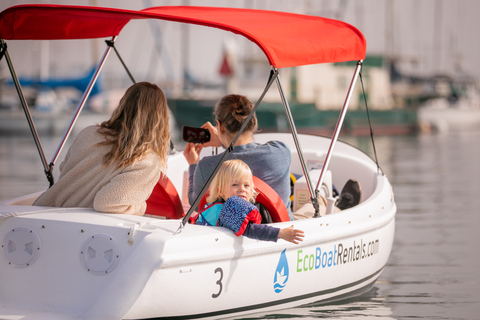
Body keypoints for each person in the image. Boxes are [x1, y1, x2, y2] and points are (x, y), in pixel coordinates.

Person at [33, 82, 170, 216]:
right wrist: (141, 207)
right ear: (160, 118)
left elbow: (64, 168)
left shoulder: (88, 133)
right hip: (78, 225)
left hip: (42, 212)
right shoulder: (147, 161)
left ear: (123, 105)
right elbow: (107, 203)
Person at [183, 94, 293, 219]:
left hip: (231, 231)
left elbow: (196, 204)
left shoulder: (206, 166)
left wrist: (193, 164)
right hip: (281, 230)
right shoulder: (281, 152)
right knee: (318, 199)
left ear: (220, 126)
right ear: (255, 122)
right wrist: (224, 138)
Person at [194, 160, 304, 244]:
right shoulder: (229, 209)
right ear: (220, 191)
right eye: (235, 185)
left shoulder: (214, 207)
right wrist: (280, 234)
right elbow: (251, 230)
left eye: (246, 185)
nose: (242, 189)